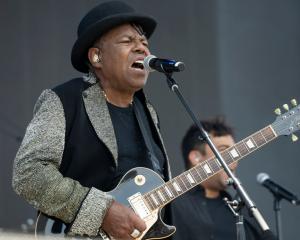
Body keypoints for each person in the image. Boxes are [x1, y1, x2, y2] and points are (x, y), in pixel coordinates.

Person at [12, 1, 172, 239]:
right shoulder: (63, 100)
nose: (143, 50)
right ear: (97, 57)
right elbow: (29, 174)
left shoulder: (148, 112)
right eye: (128, 41)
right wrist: (103, 212)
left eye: (144, 43)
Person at [171, 117, 263, 240]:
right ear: (196, 157)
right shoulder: (170, 206)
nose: (234, 162)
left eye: (236, 154)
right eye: (224, 151)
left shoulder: (241, 210)